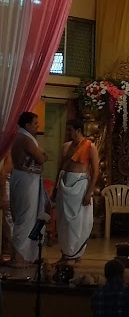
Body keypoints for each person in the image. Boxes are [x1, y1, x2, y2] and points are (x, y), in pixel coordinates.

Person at [53, 118, 98, 263]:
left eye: (70, 130)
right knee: (63, 221)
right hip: (64, 183)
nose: (67, 133)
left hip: (80, 185)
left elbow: (96, 171)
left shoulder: (89, 146)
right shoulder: (66, 146)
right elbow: (60, 167)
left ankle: (76, 255)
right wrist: (55, 188)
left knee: (77, 222)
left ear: (78, 130)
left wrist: (89, 192)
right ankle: (65, 254)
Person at [8, 112, 48, 267]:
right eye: (35, 123)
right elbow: (41, 158)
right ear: (27, 125)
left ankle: (25, 255)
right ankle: (18, 257)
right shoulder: (25, 139)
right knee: (25, 217)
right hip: (25, 179)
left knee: (27, 216)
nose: (38, 126)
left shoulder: (21, 137)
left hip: (23, 178)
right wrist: (43, 155)